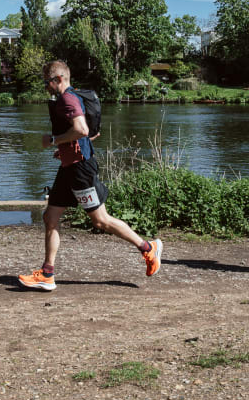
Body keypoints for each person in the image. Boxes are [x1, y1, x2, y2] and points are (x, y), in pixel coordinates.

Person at [18, 60, 163, 291]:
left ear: (59, 79)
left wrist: (53, 140)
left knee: (100, 220)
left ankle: (148, 248)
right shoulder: (71, 97)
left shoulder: (67, 99)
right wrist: (64, 148)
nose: (45, 87)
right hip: (69, 166)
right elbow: (88, 134)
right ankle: (47, 274)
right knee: (50, 217)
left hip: (80, 170)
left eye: (47, 82)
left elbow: (82, 130)